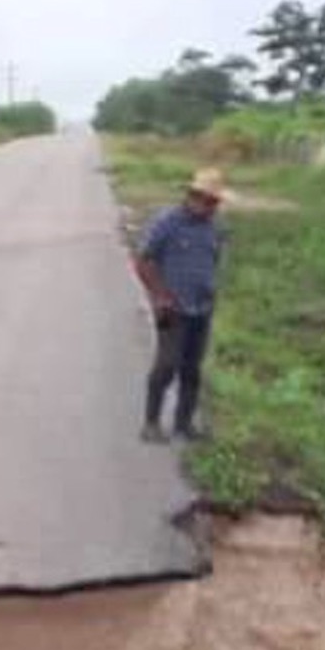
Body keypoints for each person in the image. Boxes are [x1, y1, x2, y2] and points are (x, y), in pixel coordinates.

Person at [134, 168, 228, 444]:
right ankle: (151, 424)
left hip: (202, 308)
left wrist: (210, 290)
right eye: (204, 199)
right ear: (191, 195)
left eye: (213, 201)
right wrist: (160, 296)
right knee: (166, 365)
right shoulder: (168, 222)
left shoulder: (214, 227)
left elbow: (213, 260)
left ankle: (183, 424)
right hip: (171, 310)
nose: (208, 206)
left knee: (192, 369)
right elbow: (143, 261)